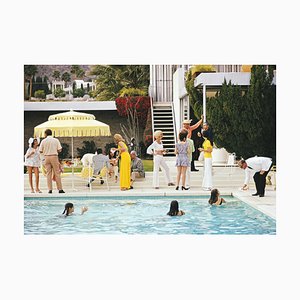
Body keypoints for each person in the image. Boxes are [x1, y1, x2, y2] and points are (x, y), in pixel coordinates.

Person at [39, 129, 65, 194]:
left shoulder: (43, 141)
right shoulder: (56, 140)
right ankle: (60, 189)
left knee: (48, 174)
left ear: (46, 134)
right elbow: (59, 150)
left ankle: (50, 189)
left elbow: (40, 150)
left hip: (46, 157)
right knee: (57, 173)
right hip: (54, 156)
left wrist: (46, 150)